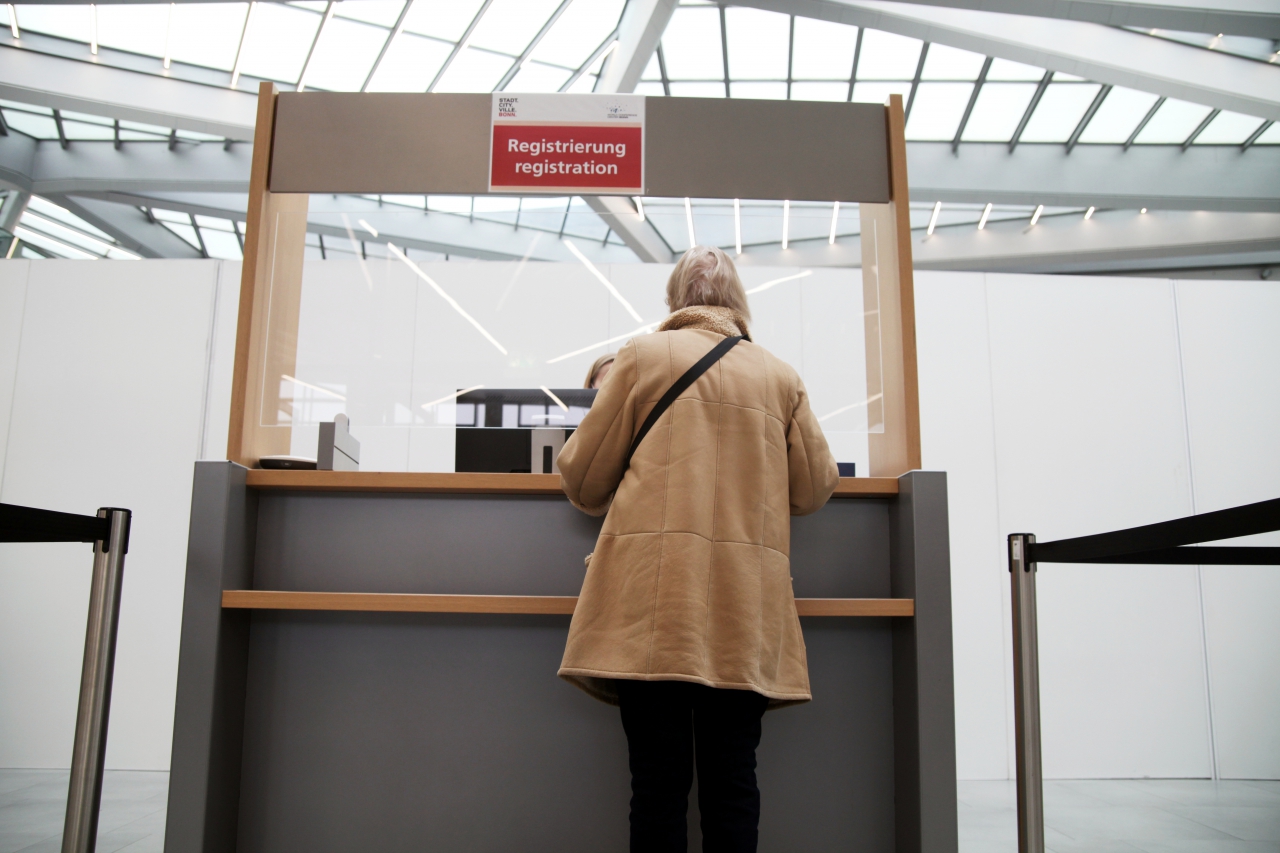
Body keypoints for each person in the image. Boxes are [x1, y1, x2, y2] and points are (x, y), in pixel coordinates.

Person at [557, 245, 839, 853]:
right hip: (743, 608)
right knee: (733, 781)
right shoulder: (780, 376)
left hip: (654, 609)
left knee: (657, 785)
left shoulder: (641, 357)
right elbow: (815, 488)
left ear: (674, 299)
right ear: (738, 302)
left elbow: (582, 481)